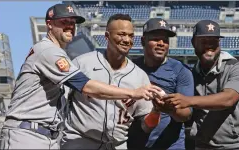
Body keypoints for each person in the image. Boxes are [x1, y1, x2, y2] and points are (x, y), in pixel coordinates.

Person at [0, 4, 161, 149]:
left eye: (72, 23)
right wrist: (132, 93)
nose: (70, 26)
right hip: (28, 134)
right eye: (64, 22)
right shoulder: (48, 51)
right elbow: (86, 86)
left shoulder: (57, 53)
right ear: (49, 24)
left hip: (46, 136)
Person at [60, 14, 163, 150]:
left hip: (117, 145)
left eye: (131, 36)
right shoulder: (82, 63)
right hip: (80, 142)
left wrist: (156, 111)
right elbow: (60, 103)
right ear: (107, 36)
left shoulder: (140, 76)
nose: (127, 40)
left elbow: (146, 126)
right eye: (121, 34)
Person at [166, 20, 239, 150]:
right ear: (193, 43)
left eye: (213, 41)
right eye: (203, 41)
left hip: (235, 145)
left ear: (219, 43)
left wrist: (187, 100)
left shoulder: (237, 67)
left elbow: (228, 99)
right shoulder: (192, 74)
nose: (209, 45)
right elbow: (187, 113)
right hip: (202, 145)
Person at [128, 18, 194, 150]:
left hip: (170, 145)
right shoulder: (131, 67)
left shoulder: (181, 70)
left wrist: (167, 108)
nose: (161, 43)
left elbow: (186, 114)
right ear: (143, 41)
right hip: (136, 143)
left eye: (165, 40)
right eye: (155, 39)